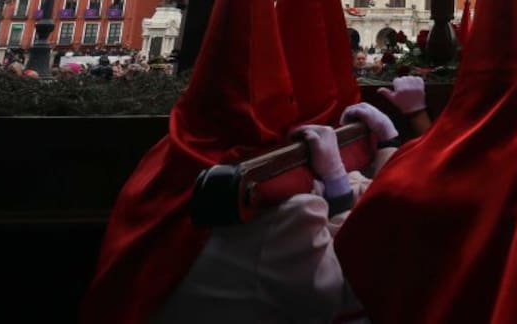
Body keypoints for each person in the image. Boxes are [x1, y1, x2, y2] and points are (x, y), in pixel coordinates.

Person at [154, 103, 397, 323]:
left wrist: (383, 151)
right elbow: (355, 286)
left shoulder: (170, 163)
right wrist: (340, 190)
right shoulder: (287, 212)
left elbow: (358, 190)